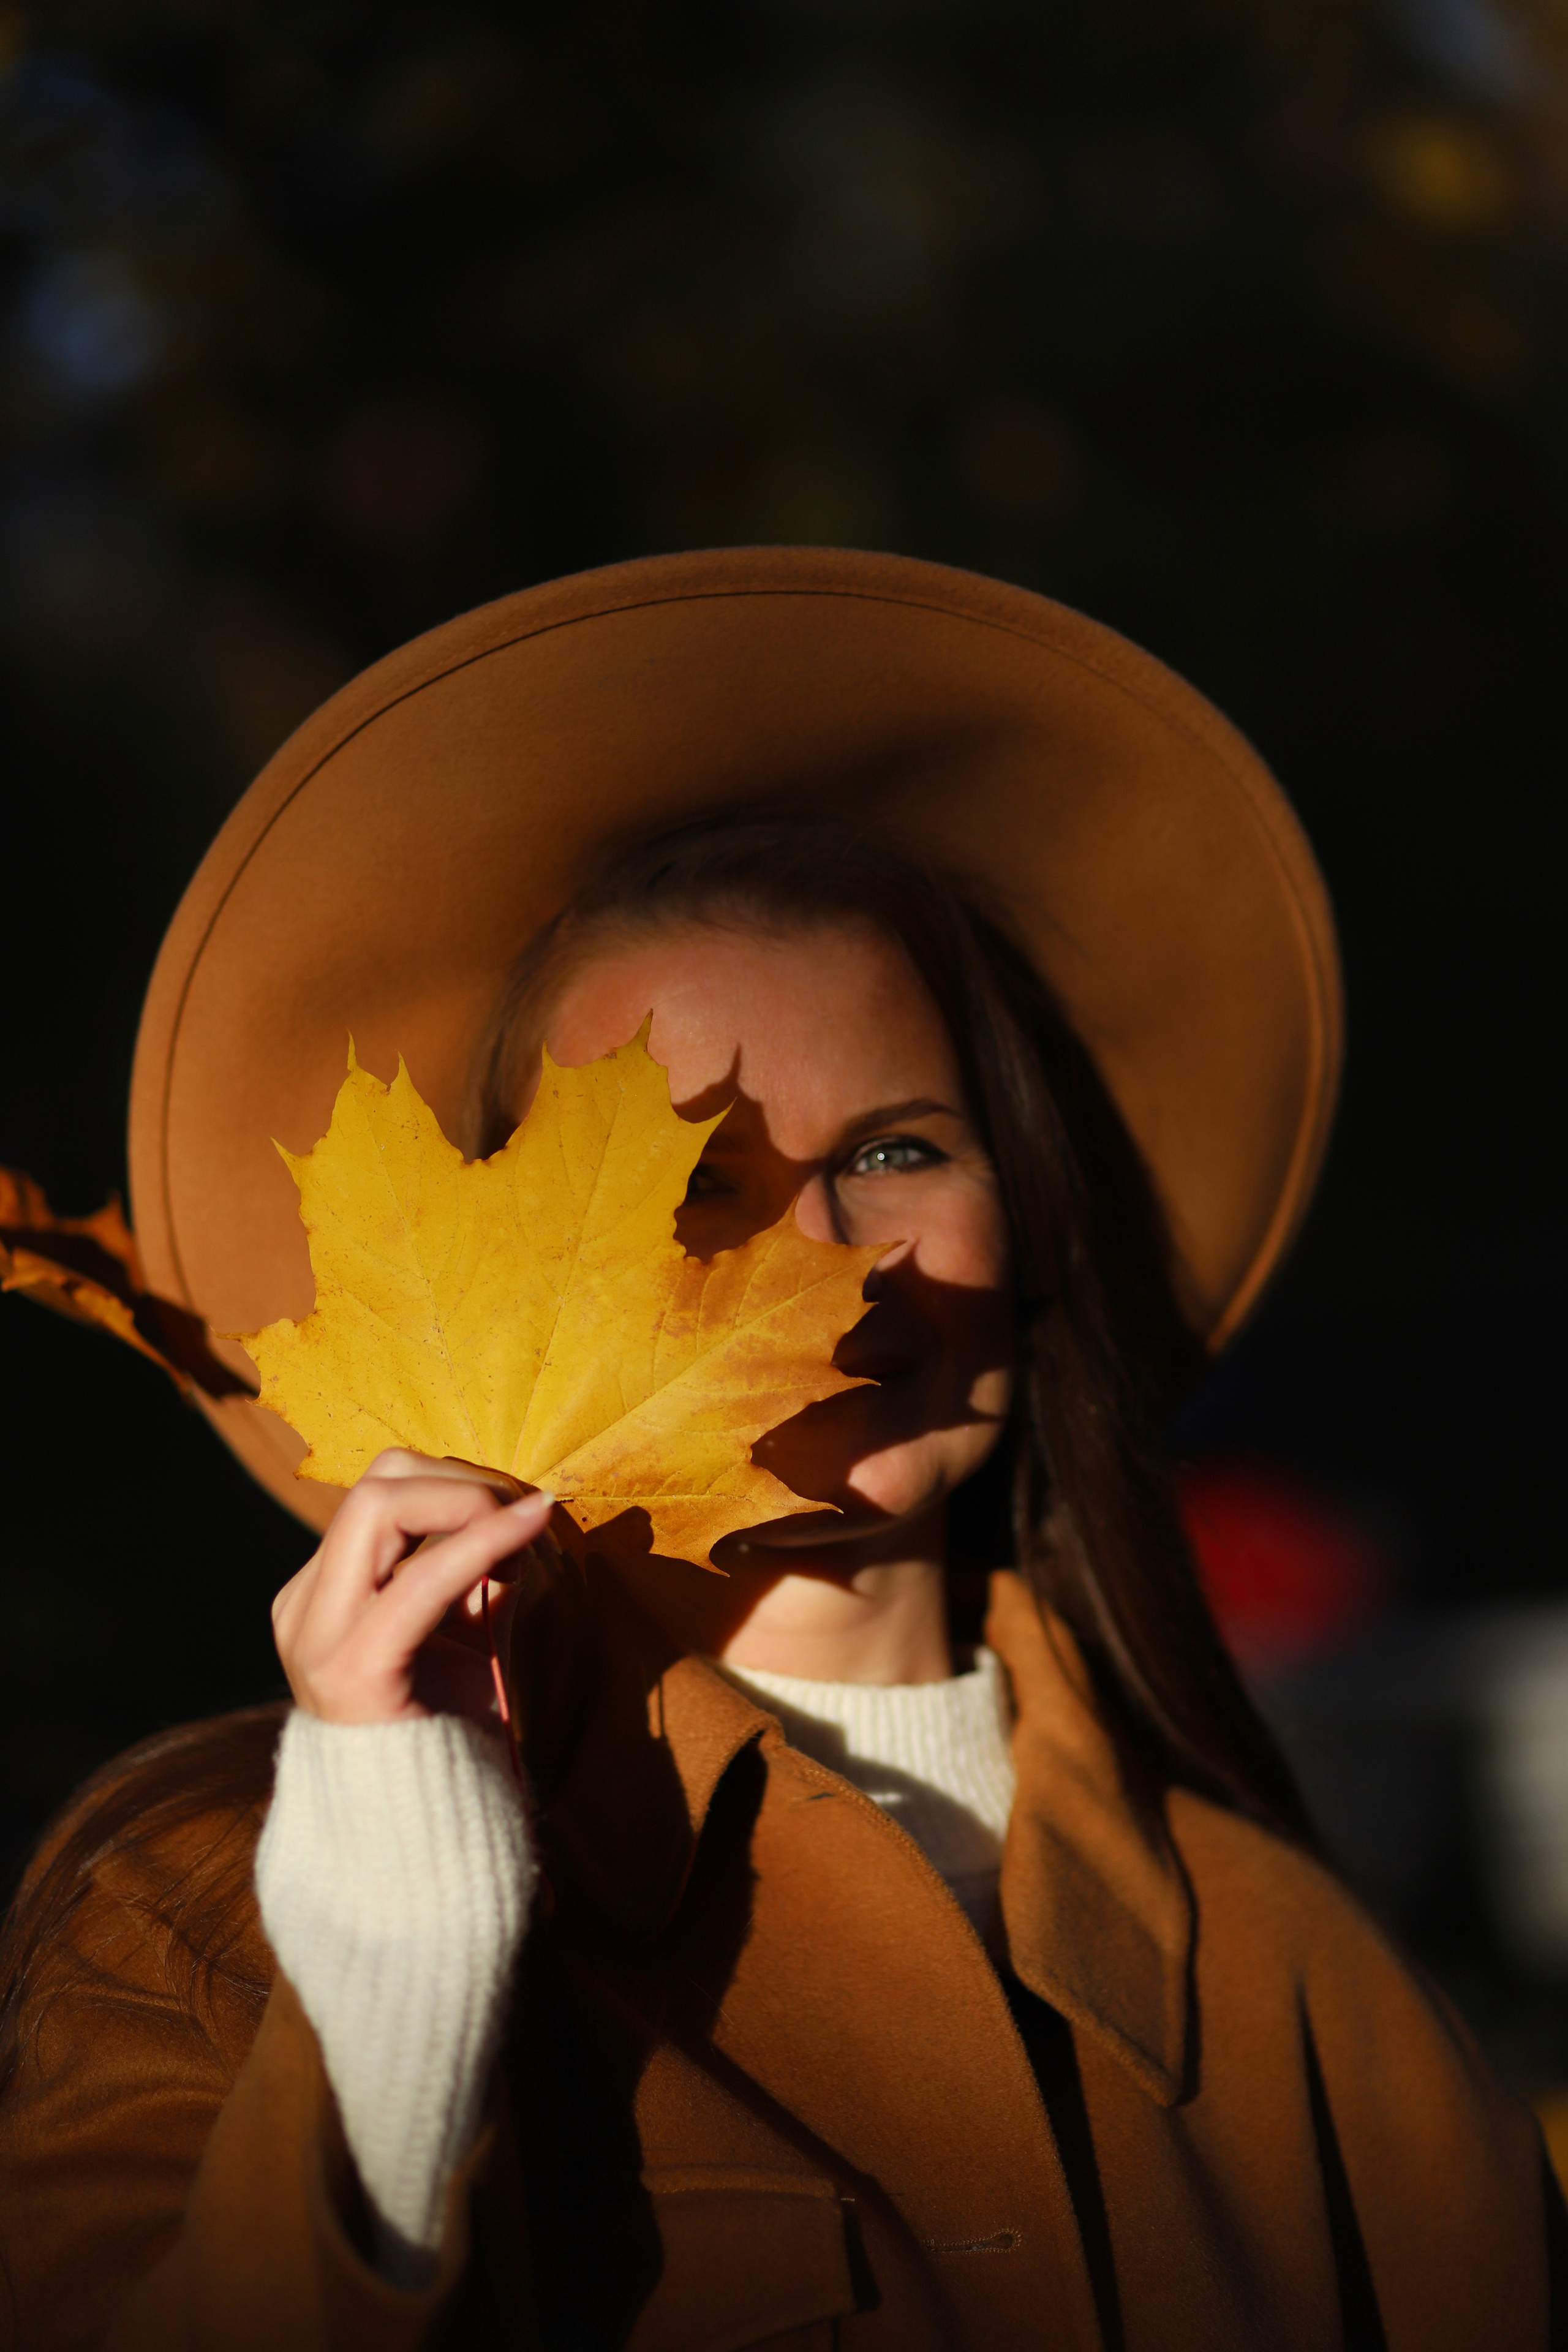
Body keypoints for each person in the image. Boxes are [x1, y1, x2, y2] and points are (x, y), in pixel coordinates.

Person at [0, 549, 1556, 2350]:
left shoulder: (1315, 1999)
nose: (829, 1261)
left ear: (1036, 1227)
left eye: (898, 1152)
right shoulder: (200, 1916)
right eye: (693, 1185)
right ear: (512, 1285)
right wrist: (399, 1960)